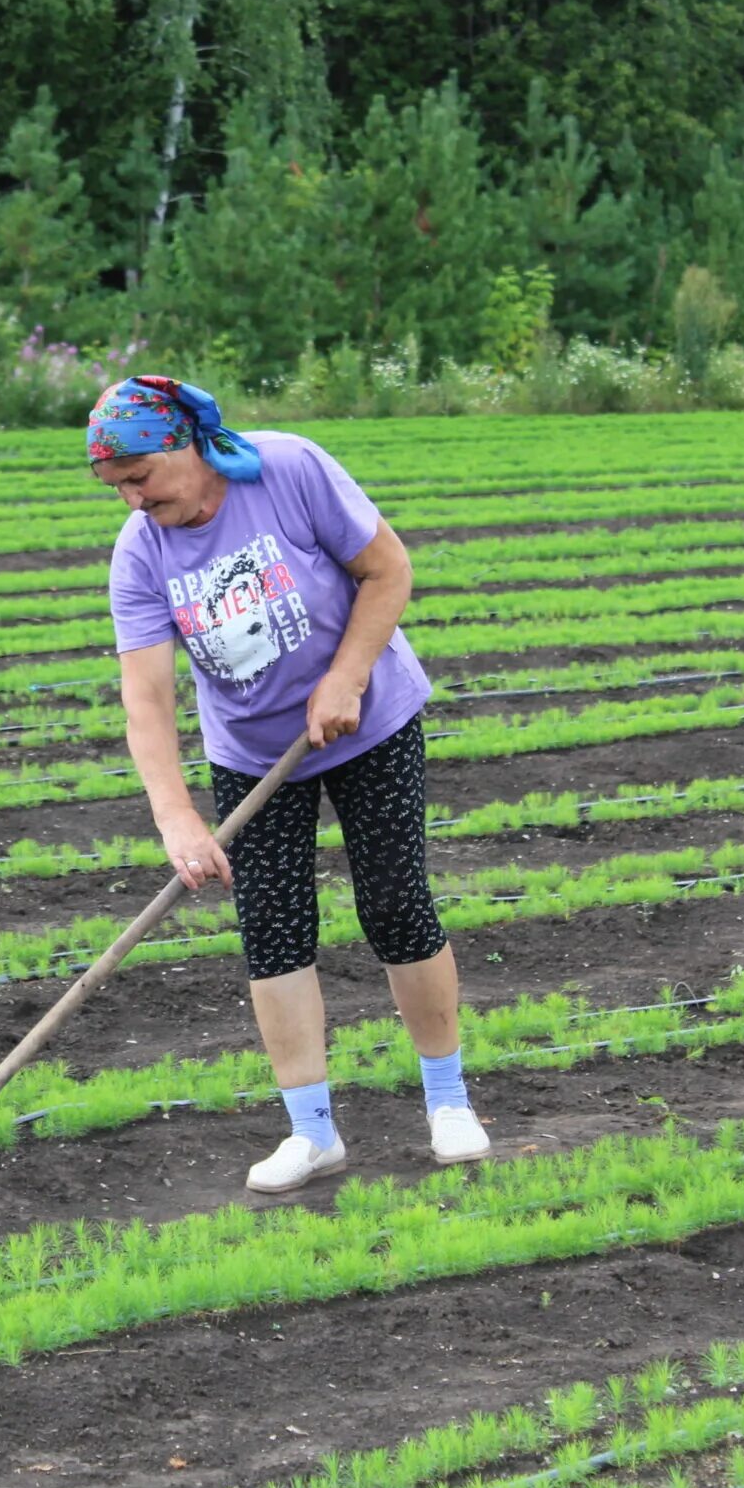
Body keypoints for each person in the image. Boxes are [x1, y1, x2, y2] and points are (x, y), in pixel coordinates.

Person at [88, 374, 489, 1191]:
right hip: (251, 752)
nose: (131, 499)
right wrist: (176, 818)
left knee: (393, 900)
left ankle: (448, 1100)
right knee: (273, 927)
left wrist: (346, 675)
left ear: (185, 446)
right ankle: (312, 1131)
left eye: (139, 477)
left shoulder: (287, 469)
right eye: (116, 486)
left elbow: (388, 571)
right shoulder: (141, 552)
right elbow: (148, 697)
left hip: (368, 721)